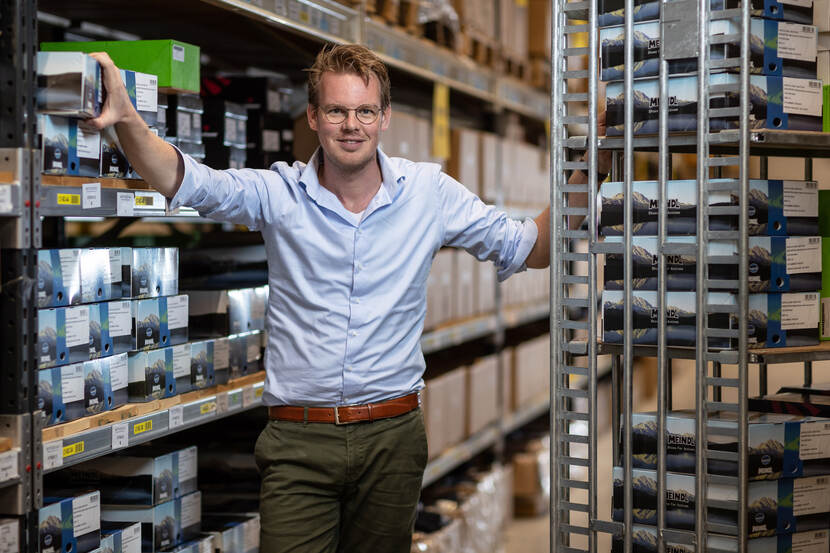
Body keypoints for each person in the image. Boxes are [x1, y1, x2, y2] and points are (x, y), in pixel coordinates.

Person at [87, 43, 605, 552]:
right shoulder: (279, 193)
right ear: (313, 117)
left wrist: (599, 153)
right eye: (336, 110)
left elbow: (532, 246)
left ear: (385, 118)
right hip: (299, 442)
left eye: (364, 111)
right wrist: (127, 118)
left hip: (393, 439)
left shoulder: (429, 193)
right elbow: (187, 181)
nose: (350, 124)